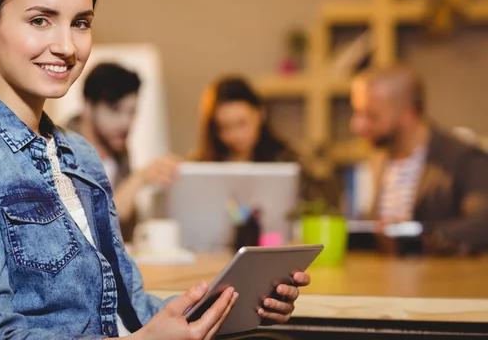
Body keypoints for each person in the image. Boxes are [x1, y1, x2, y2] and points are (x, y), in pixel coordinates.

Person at [0, 0, 309, 338]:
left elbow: (128, 305)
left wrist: (237, 303)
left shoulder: (79, 154)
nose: (67, 47)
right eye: (40, 21)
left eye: (80, 23)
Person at [350, 65, 488, 254]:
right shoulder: (380, 158)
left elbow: (481, 224)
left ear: (408, 115)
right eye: (357, 113)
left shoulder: (466, 160)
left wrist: (416, 234)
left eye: (372, 116)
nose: (357, 125)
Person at [68, 63, 180, 241]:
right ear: (88, 107)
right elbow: (89, 224)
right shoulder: (59, 149)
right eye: (115, 110)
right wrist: (139, 179)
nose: (126, 122)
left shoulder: (120, 153)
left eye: (132, 112)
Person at [193, 76, 340, 204]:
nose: (235, 135)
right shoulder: (199, 166)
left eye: (241, 123)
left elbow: (323, 199)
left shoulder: (286, 161)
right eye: (225, 127)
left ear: (260, 114)